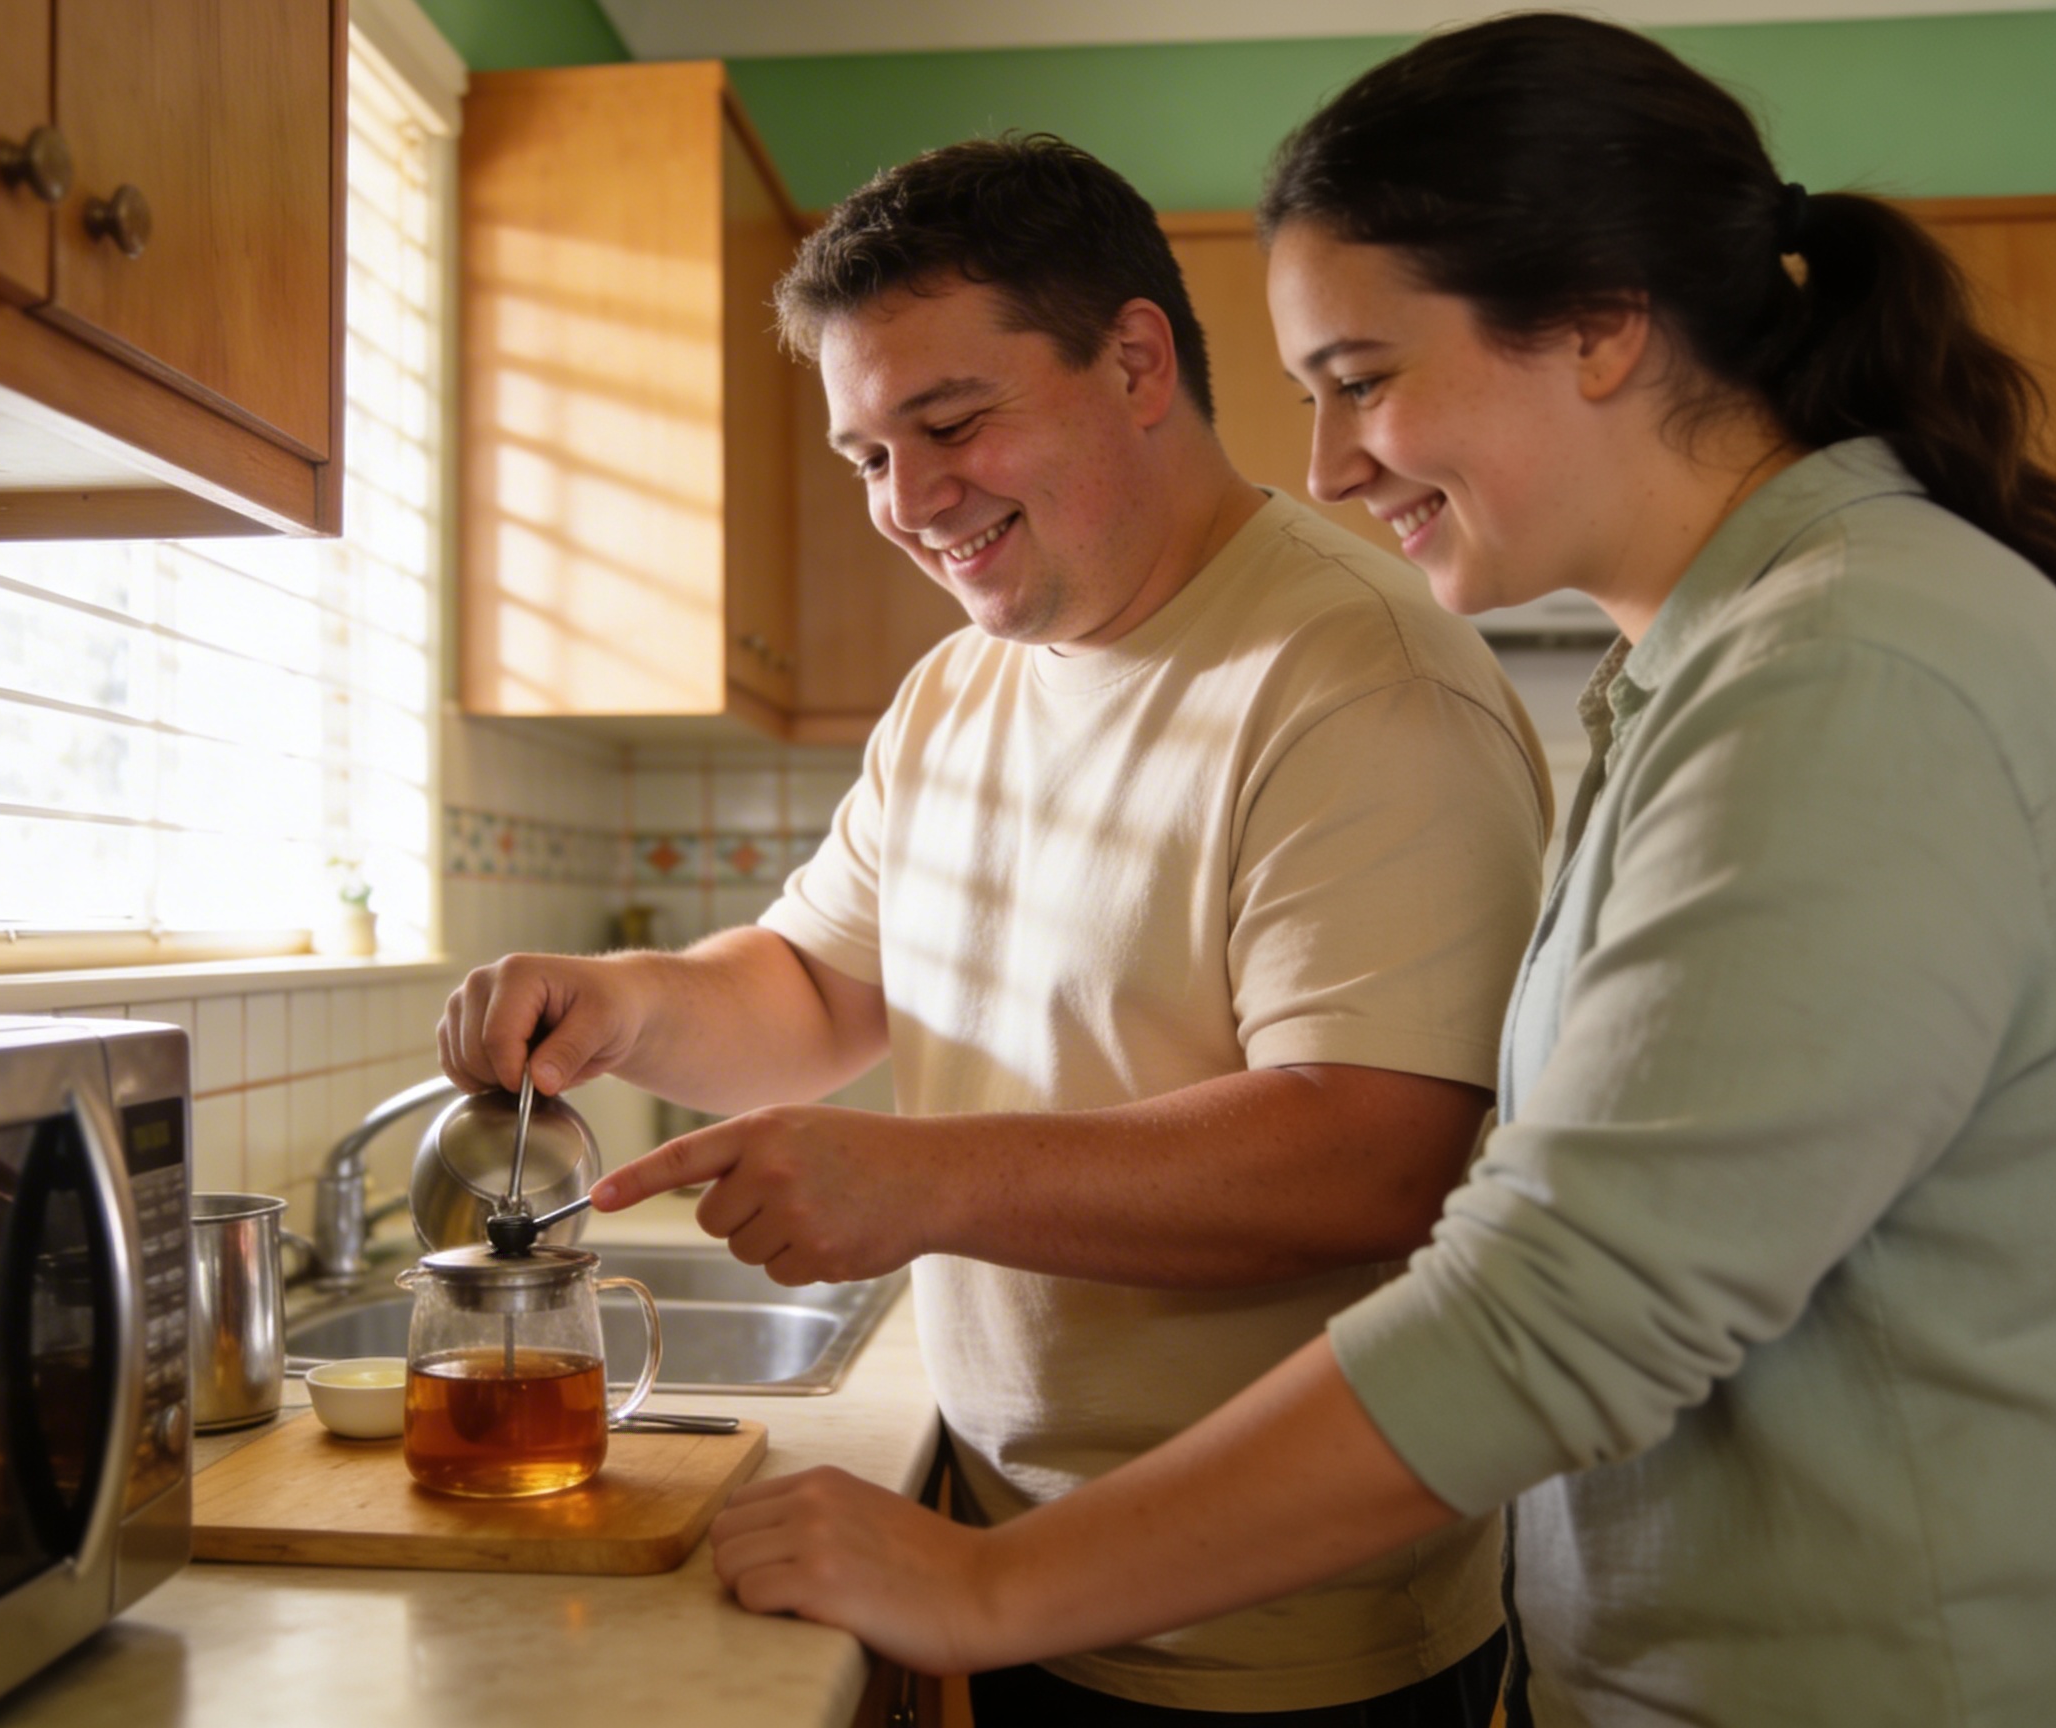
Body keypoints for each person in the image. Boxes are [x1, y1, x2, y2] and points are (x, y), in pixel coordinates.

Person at [699, 14, 2056, 1727]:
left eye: (1364, 379)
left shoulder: (1850, 667)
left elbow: (1558, 1306)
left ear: (1600, 324)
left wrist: (994, 1585)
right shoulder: (1735, 660)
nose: (1333, 466)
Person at [440, 136, 1553, 1720]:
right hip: (1018, 1566)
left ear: (1136, 360)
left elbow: (1379, 1153)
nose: (910, 501)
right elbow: (820, 983)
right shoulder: (961, 687)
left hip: (1278, 1643)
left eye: (950, 425)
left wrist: (924, 1180)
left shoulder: (1353, 678)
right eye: (866, 457)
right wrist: (623, 1002)